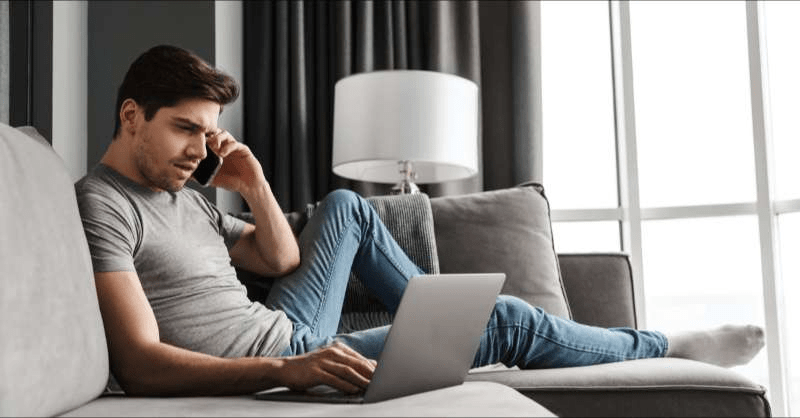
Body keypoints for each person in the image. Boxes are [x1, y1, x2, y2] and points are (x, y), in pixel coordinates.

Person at [75, 45, 765, 397]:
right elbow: (139, 364)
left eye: (208, 134)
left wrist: (253, 181)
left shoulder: (185, 193)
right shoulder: (103, 204)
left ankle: (435, 320)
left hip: (287, 324)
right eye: (183, 129)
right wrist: (288, 368)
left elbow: (279, 263)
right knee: (507, 321)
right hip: (276, 356)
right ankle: (666, 345)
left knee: (347, 206)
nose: (199, 150)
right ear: (131, 115)